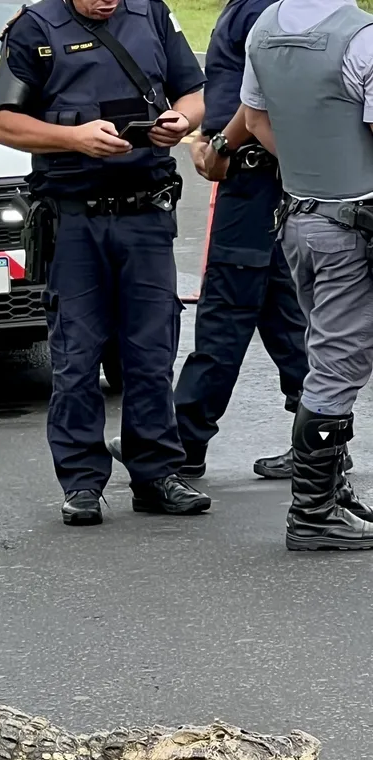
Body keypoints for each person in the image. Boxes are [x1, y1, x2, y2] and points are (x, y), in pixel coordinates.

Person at [0, 0, 212, 527]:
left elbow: (195, 92)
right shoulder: (33, 28)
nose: (106, 1)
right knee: (77, 357)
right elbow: (2, 125)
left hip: (146, 215)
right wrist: (73, 138)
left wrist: (182, 120)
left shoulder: (151, 13)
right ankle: (83, 483)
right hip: (75, 220)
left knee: (152, 353)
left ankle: (155, 474)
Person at [105, 0, 313, 482]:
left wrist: (221, 146)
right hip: (269, 175)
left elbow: (265, 99)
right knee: (281, 308)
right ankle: (319, 435)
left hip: (253, 175)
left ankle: (184, 439)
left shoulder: (264, 10)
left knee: (227, 306)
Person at [242, 0, 373, 550]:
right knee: (337, 368)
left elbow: (253, 119)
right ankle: (314, 514)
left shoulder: (264, 28)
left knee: (327, 355)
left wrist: (304, 159)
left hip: (301, 217)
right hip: (354, 224)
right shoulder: (361, 37)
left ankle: (329, 495)